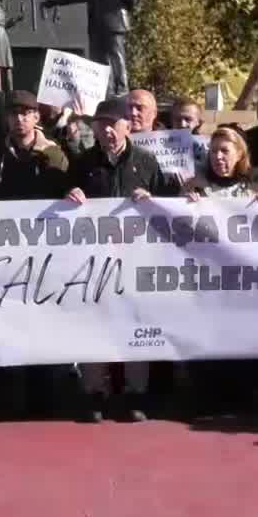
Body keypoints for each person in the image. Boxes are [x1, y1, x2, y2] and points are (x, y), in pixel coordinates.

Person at [64, 98, 177, 421]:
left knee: (135, 323)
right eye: (101, 126)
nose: (107, 131)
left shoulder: (146, 162)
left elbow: (169, 212)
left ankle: (134, 394)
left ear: (128, 126)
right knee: (95, 324)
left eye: (113, 125)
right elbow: (65, 197)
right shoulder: (83, 163)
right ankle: (94, 394)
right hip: (94, 261)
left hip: (137, 259)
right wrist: (72, 194)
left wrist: (152, 201)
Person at [184, 128, 258, 415]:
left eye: (225, 151)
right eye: (214, 151)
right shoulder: (196, 184)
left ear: (239, 154)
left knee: (243, 333)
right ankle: (208, 394)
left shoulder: (255, 184)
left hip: (244, 278)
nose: (218, 157)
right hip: (207, 276)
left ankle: (244, 392)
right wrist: (186, 200)